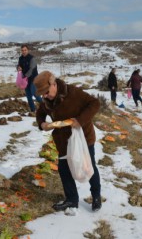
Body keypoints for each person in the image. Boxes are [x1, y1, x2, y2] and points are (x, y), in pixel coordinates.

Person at [34, 71, 102, 212]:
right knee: (64, 169)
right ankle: (71, 200)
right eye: (42, 94)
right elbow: (40, 113)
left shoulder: (72, 93)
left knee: (89, 166)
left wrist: (80, 120)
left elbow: (95, 103)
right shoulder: (47, 101)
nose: (44, 96)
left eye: (46, 92)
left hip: (83, 137)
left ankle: (96, 196)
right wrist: (42, 124)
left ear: (53, 84)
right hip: (63, 140)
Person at [17, 44, 42, 112]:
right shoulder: (20, 58)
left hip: (34, 78)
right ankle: (33, 110)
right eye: (22, 50)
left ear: (28, 50)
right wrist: (18, 68)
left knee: (34, 93)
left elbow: (31, 69)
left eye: (25, 50)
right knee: (28, 96)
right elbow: (19, 66)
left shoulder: (32, 58)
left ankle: (45, 105)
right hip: (26, 80)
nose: (24, 51)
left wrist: (25, 76)